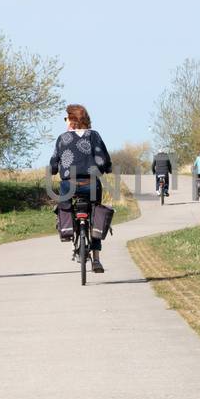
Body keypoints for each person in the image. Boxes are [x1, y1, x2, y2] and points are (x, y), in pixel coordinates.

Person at [48, 104, 113, 273]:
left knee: (65, 206)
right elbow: (103, 159)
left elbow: (54, 163)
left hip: (68, 184)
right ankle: (97, 260)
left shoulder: (63, 138)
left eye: (66, 118)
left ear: (72, 120)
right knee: (95, 215)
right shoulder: (94, 136)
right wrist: (107, 168)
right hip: (91, 184)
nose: (65, 121)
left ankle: (69, 228)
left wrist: (55, 170)